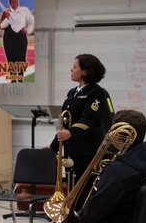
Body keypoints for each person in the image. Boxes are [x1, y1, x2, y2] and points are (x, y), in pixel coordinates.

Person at [48, 54, 114, 186]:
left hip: (87, 149)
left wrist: (71, 132)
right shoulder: (72, 92)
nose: (71, 70)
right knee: (71, 186)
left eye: (74, 67)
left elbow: (89, 119)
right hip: (71, 148)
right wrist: (53, 146)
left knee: (83, 187)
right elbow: (65, 121)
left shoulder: (96, 92)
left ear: (85, 71)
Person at [0, 0, 34, 64]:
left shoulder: (24, 10)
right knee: (10, 58)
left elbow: (32, 22)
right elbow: (1, 26)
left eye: (16, 2)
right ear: (9, 3)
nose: (15, 4)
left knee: (21, 57)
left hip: (21, 36)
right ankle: (12, 74)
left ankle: (20, 74)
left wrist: (28, 30)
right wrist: (7, 18)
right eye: (13, 2)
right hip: (9, 37)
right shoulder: (5, 12)